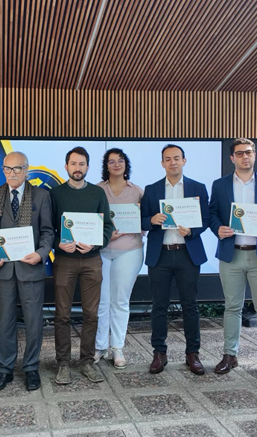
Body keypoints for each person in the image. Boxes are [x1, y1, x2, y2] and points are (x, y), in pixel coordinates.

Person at [209, 138, 257, 381]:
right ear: (232, 158)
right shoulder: (220, 185)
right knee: (232, 307)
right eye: (240, 153)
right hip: (231, 255)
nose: (245, 156)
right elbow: (212, 213)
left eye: (249, 152)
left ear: (254, 155)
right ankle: (229, 355)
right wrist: (218, 227)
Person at [0, 152, 54, 392]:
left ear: (26, 170)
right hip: (3, 269)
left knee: (33, 321)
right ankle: (5, 369)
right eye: (7, 168)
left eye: (17, 169)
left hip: (30, 267)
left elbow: (48, 231)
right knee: (4, 321)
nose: (12, 173)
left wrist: (41, 253)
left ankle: (31, 367)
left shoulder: (41, 195)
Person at [141, 144, 210, 375]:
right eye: (168, 159)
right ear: (162, 163)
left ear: (184, 161)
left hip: (187, 253)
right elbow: (141, 220)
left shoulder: (197, 188)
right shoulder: (151, 189)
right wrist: (151, 220)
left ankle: (193, 353)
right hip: (160, 253)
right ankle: (159, 353)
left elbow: (206, 219)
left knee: (190, 305)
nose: (173, 162)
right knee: (159, 305)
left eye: (177, 158)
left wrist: (192, 230)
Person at [50, 147, 114, 384]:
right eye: (73, 164)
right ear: (66, 166)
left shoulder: (97, 193)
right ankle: (63, 363)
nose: (77, 168)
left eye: (82, 164)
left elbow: (107, 227)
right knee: (62, 314)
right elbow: (48, 228)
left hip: (91, 260)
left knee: (91, 314)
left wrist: (95, 244)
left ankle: (87, 361)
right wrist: (58, 243)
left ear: (88, 167)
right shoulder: (55, 194)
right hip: (64, 260)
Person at [96, 148, 144, 369]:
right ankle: (99, 346)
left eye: (120, 161)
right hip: (101, 251)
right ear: (106, 166)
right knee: (102, 301)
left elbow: (145, 222)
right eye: (111, 161)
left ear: (126, 164)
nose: (116, 164)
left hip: (129, 251)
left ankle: (117, 347)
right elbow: (91, 222)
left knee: (120, 301)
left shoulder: (137, 191)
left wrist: (135, 226)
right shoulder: (96, 190)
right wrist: (105, 234)